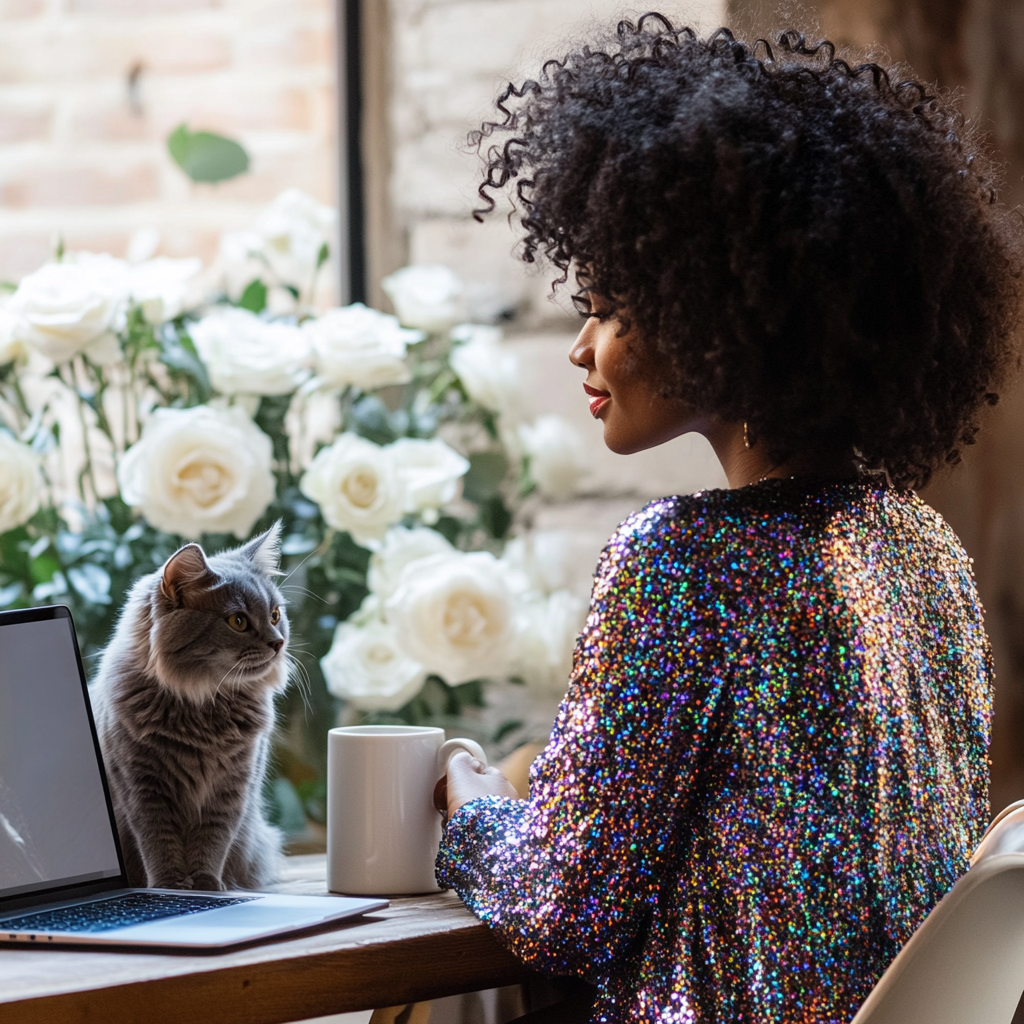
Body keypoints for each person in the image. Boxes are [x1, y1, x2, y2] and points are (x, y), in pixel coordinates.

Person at [434, 15, 1023, 1024]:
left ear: (717, 313)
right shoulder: (925, 548)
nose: (581, 347)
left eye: (611, 306)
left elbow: (564, 908)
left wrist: (462, 800)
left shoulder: (683, 563)